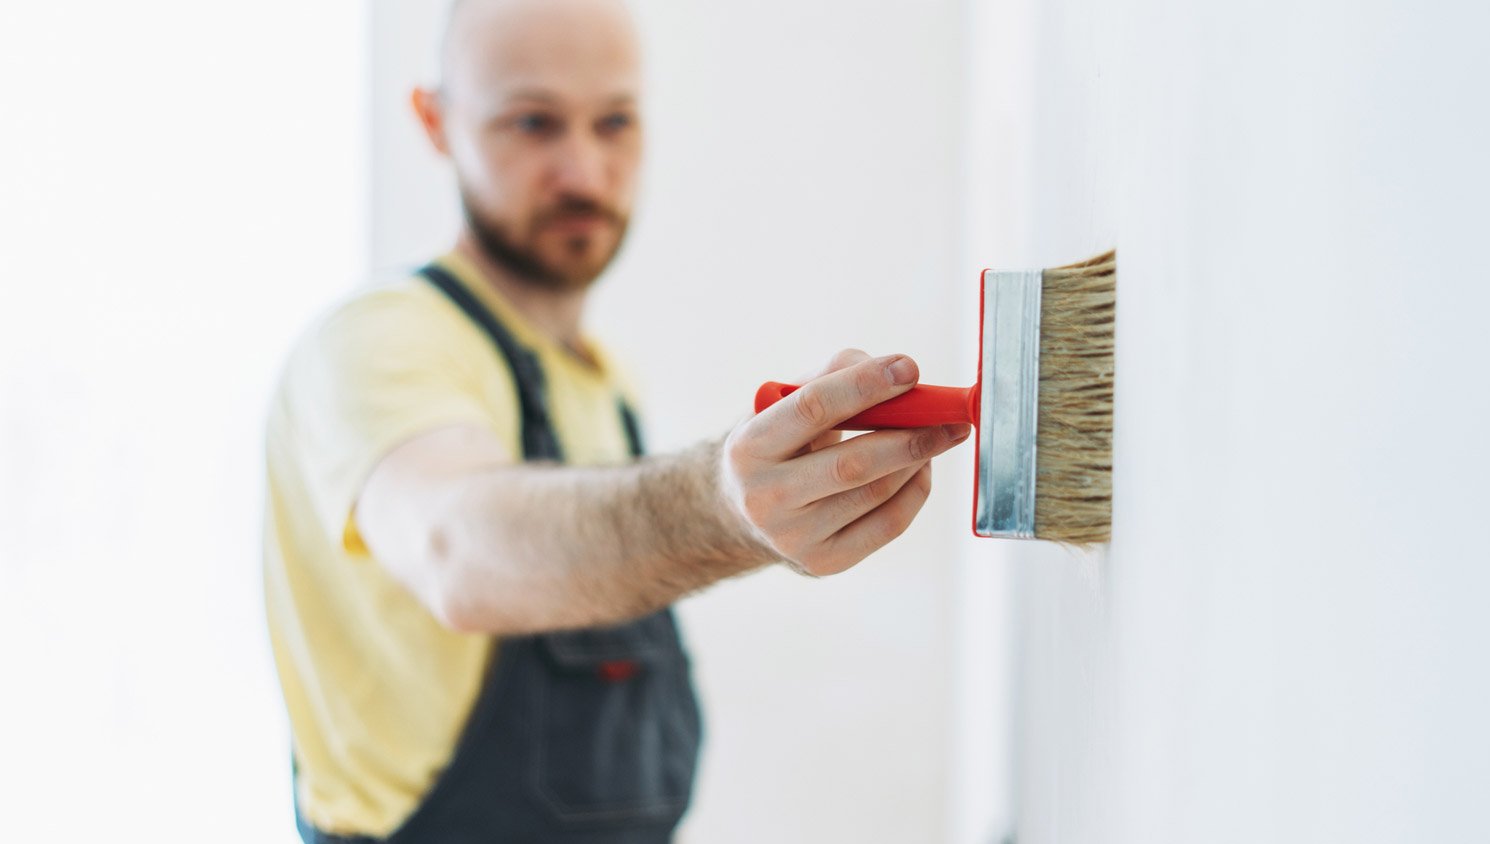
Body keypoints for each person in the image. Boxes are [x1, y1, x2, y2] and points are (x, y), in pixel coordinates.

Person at [262, 0, 971, 841]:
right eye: (533, 122)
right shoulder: (378, 342)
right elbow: (458, 545)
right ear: (436, 120)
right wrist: (719, 505)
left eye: (615, 123)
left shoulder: (605, 385)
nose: (584, 172)